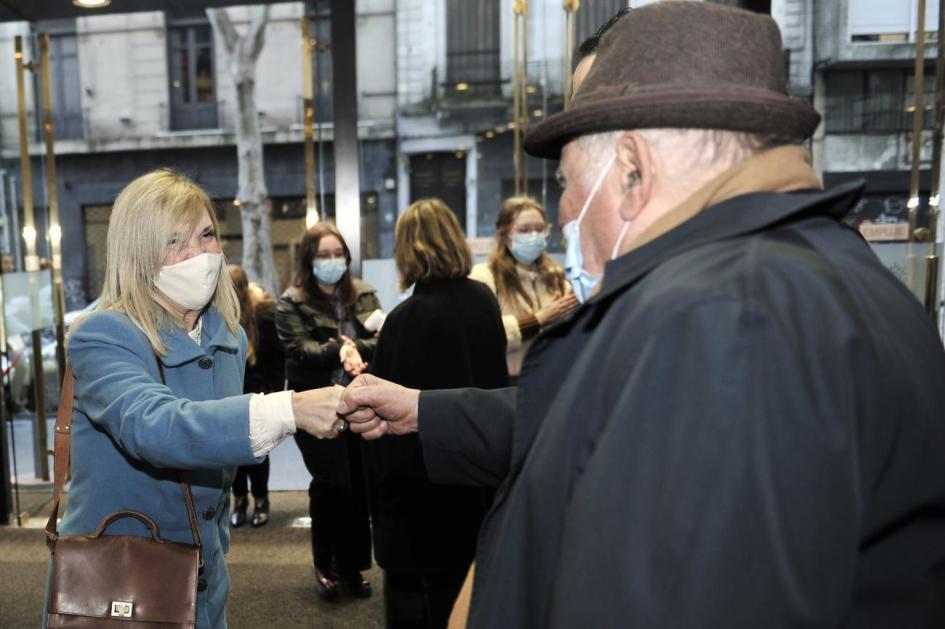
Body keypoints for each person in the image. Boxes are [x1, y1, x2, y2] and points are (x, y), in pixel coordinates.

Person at [338, 3, 945, 627]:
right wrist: (424, 410)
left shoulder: (725, 322)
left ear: (633, 172)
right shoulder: (813, 273)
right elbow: (601, 418)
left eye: (570, 183)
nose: (567, 214)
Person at [52, 169, 347, 629]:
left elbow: (215, 470)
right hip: (117, 588)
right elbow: (155, 425)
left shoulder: (225, 336)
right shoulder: (103, 334)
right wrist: (287, 409)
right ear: (140, 255)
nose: (200, 255)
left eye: (207, 234)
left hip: (202, 583)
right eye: (174, 242)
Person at [364, 198, 508, 628]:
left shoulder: (405, 320)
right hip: (479, 472)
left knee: (422, 604)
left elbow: (384, 420)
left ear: (406, 249)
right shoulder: (484, 300)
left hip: (422, 491)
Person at [275, 223, 379, 601]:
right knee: (332, 484)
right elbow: (300, 350)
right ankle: (326, 563)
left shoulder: (363, 293)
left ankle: (353, 567)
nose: (332, 261)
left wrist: (356, 349)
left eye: (338, 254)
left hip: (361, 400)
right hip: (313, 403)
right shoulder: (292, 301)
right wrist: (341, 349)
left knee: (358, 487)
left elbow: (378, 337)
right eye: (323, 255)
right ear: (309, 259)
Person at [469, 196, 575, 380]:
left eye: (540, 229)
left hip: (552, 378)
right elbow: (480, 335)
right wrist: (537, 320)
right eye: (524, 230)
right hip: (507, 382)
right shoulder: (484, 277)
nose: (534, 236)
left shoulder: (556, 277)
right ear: (504, 235)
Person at [228, 265, 284, 528]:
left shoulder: (263, 315)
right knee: (230, 454)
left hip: (256, 393)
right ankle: (239, 500)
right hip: (226, 395)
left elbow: (276, 357)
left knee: (257, 451)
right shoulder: (215, 316)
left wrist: (272, 391)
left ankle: (261, 499)